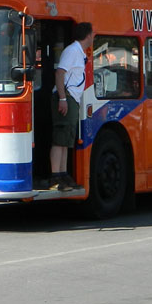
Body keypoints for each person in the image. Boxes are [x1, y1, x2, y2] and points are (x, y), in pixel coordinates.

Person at [50, 22, 93, 192]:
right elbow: (60, 73)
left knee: (66, 139)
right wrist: (62, 98)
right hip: (66, 97)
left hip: (72, 98)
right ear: (88, 35)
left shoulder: (78, 52)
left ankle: (63, 173)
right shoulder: (72, 51)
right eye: (92, 33)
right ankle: (55, 177)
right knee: (59, 137)